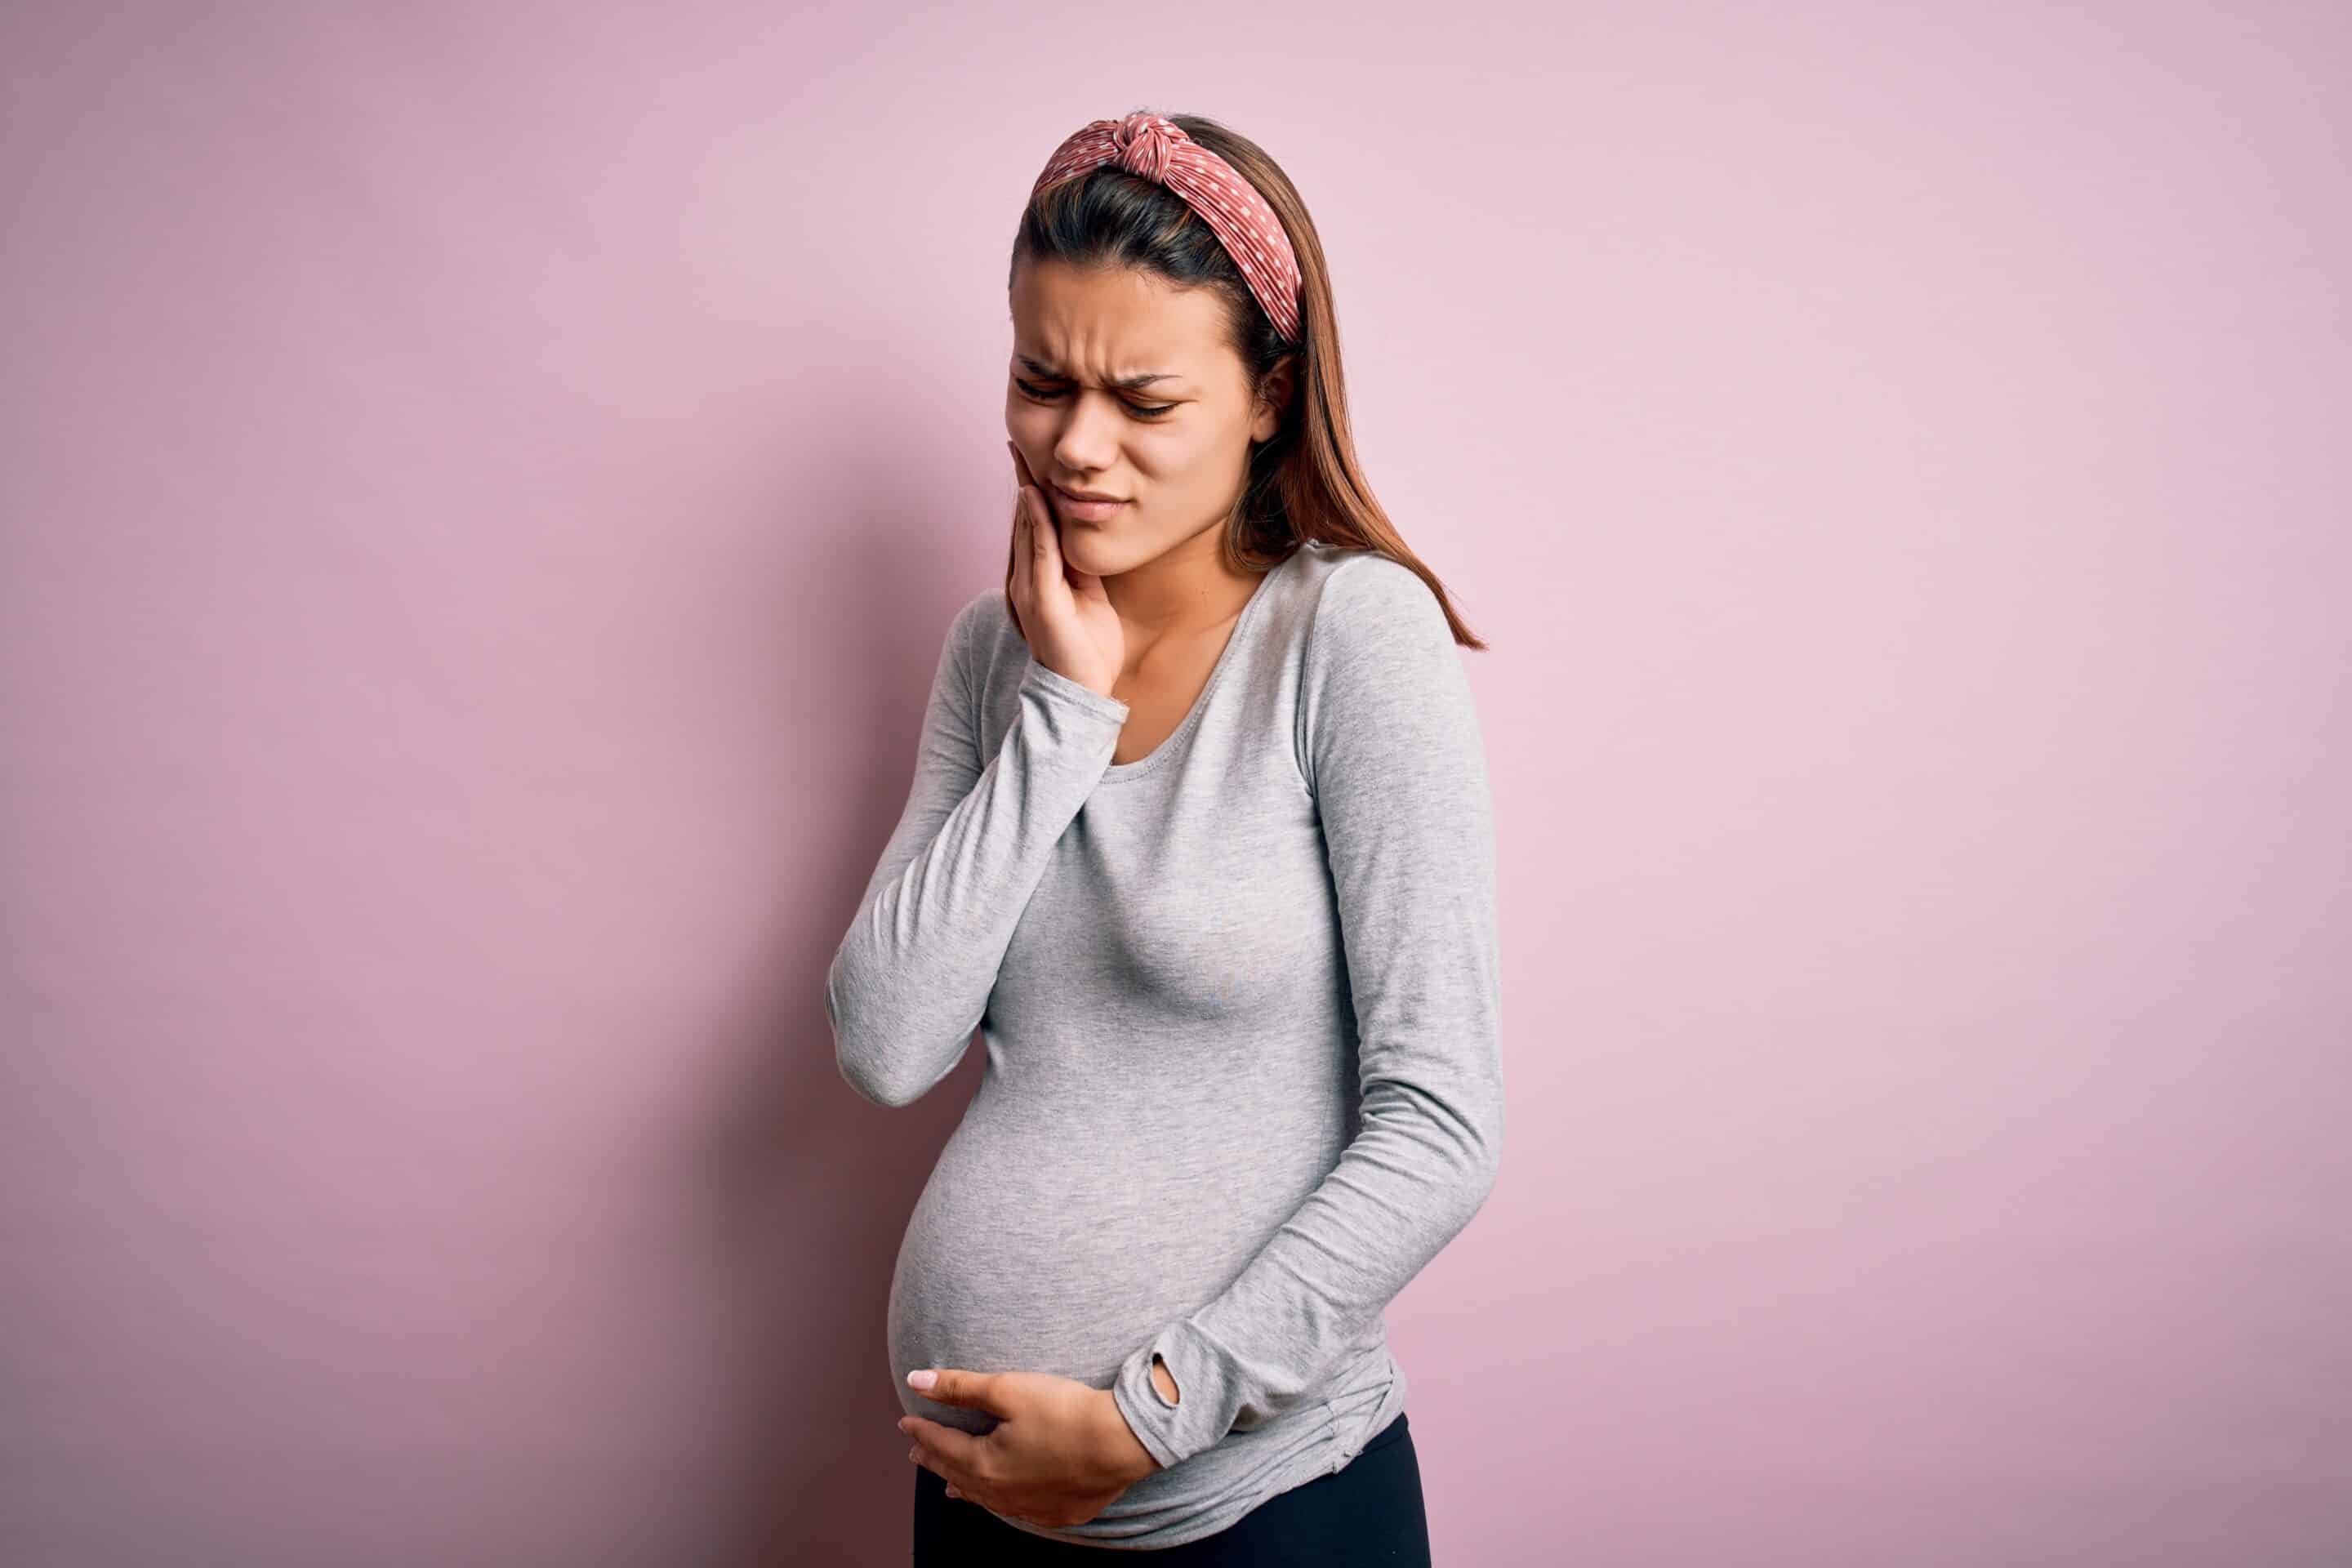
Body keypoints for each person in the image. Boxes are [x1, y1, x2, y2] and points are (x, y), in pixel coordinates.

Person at [824, 109, 1503, 1561]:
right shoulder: (993, 656)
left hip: (1263, 1510)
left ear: (1265, 399)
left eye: (1144, 402)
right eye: (1038, 383)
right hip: (981, 1506)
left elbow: (1440, 1124)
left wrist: (1148, 1416)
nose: (1077, 448)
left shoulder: (1349, 638)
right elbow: (888, 1046)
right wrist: (1059, 712)